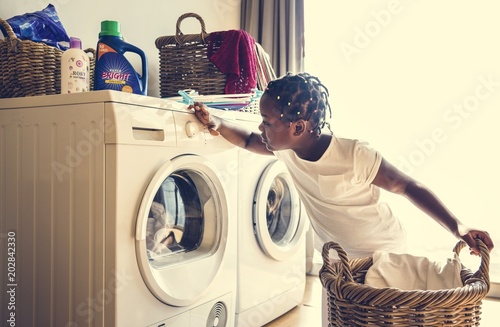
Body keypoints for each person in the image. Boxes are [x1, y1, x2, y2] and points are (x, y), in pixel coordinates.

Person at [189, 72, 494, 259]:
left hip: (383, 253)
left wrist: (458, 226)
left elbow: (406, 185)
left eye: (267, 121)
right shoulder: (284, 147)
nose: (261, 127)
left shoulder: (353, 154)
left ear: (297, 127)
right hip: (339, 260)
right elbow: (246, 140)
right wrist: (216, 121)